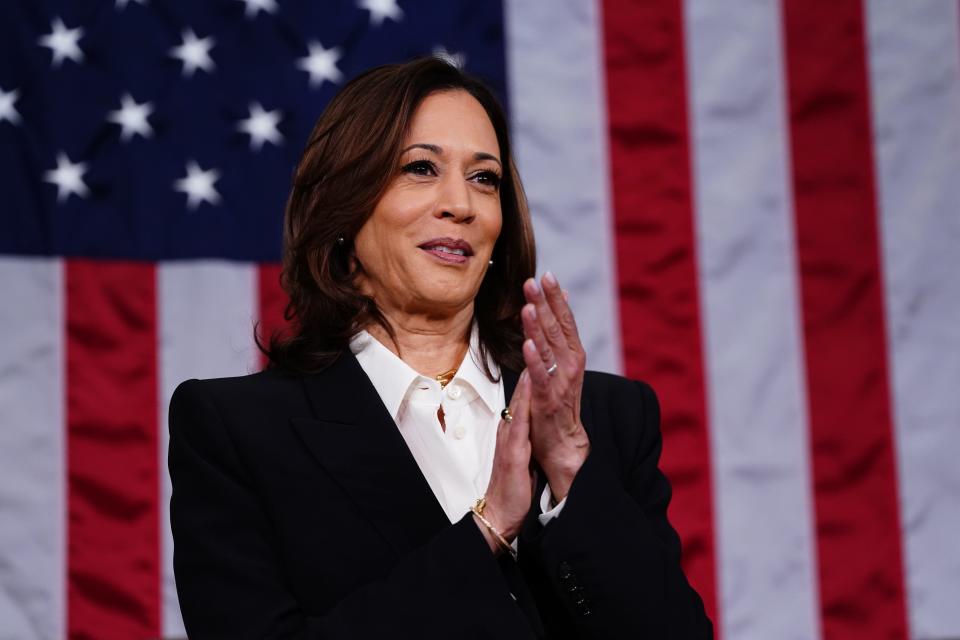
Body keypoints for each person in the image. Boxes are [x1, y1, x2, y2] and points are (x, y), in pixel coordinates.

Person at [169, 56, 712, 639]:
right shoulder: (237, 429)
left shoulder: (605, 419)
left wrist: (571, 476)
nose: (461, 204)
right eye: (421, 168)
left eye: (485, 178)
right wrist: (488, 531)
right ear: (345, 207)